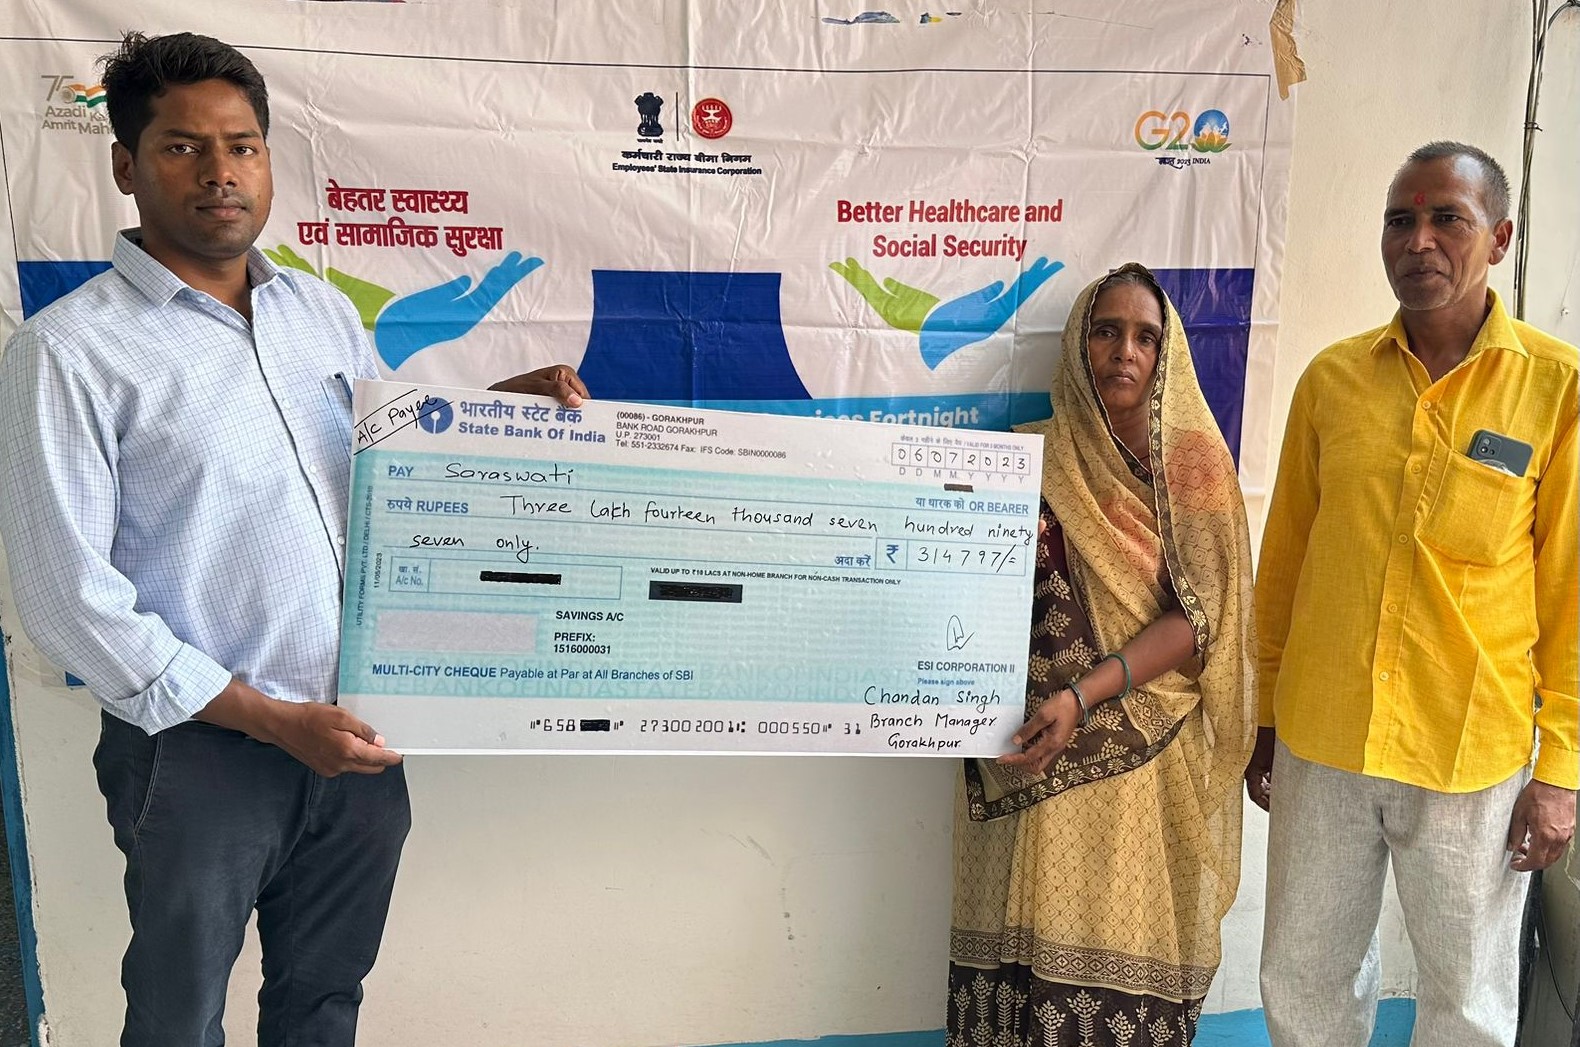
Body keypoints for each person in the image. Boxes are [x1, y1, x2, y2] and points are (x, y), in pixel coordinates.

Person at [0, 32, 585, 1046]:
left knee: (322, 1002)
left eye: (243, 146)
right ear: (126, 167)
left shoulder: (316, 310)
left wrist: (497, 415)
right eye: (183, 147)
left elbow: (372, 472)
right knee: (178, 1019)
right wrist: (270, 720)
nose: (220, 172)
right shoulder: (69, 351)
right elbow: (68, 600)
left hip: (353, 735)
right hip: (198, 753)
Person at [1250, 142, 1577, 1047]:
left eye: (1447, 219)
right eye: (1401, 219)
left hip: (1470, 751)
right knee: (1305, 980)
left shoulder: (1556, 390)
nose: (1419, 240)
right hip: (1324, 738)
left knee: (1467, 1001)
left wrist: (1561, 771)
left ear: (1499, 238)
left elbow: (1571, 596)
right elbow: (1285, 565)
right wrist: (1264, 714)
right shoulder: (1332, 381)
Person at [947, 264, 1256, 1045]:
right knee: (1030, 949)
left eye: (1146, 337)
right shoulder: (1029, 458)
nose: (1125, 352)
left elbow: (1203, 617)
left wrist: (1085, 694)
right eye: (1107, 331)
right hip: (1032, 744)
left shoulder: (1193, 467)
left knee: (1119, 954)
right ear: (1078, 345)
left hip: (1144, 745)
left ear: (1166, 354)